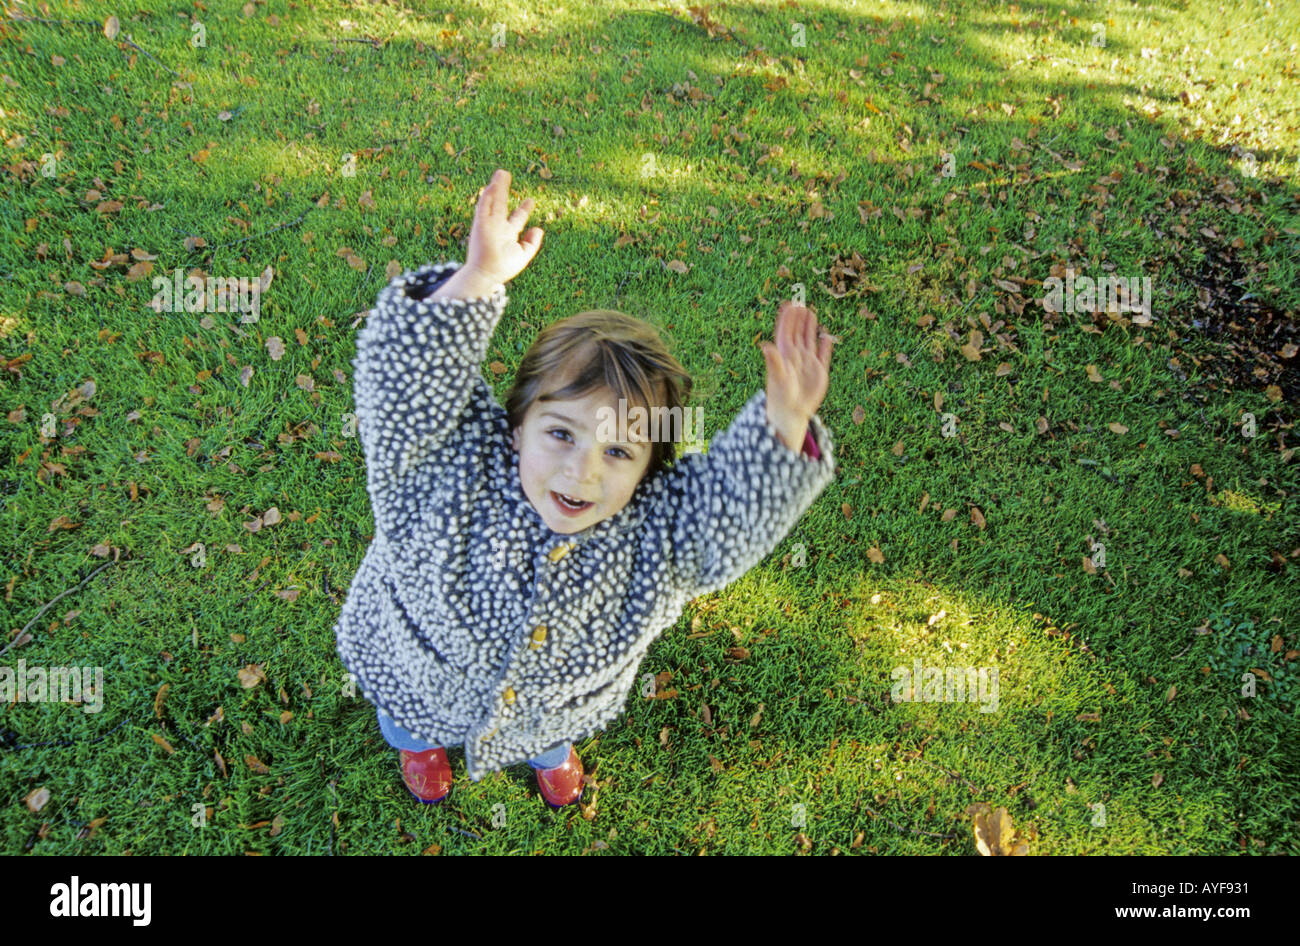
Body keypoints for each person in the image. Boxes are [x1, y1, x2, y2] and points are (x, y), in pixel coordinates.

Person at [334, 169, 838, 808]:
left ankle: (548, 755)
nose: (582, 473)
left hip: (554, 706)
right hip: (414, 673)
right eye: (561, 434)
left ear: (652, 469)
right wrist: (477, 280)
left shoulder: (658, 534)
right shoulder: (443, 464)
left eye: (620, 450)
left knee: (549, 735)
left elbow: (728, 515)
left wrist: (785, 422)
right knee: (406, 719)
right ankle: (418, 748)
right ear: (516, 426)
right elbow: (404, 387)